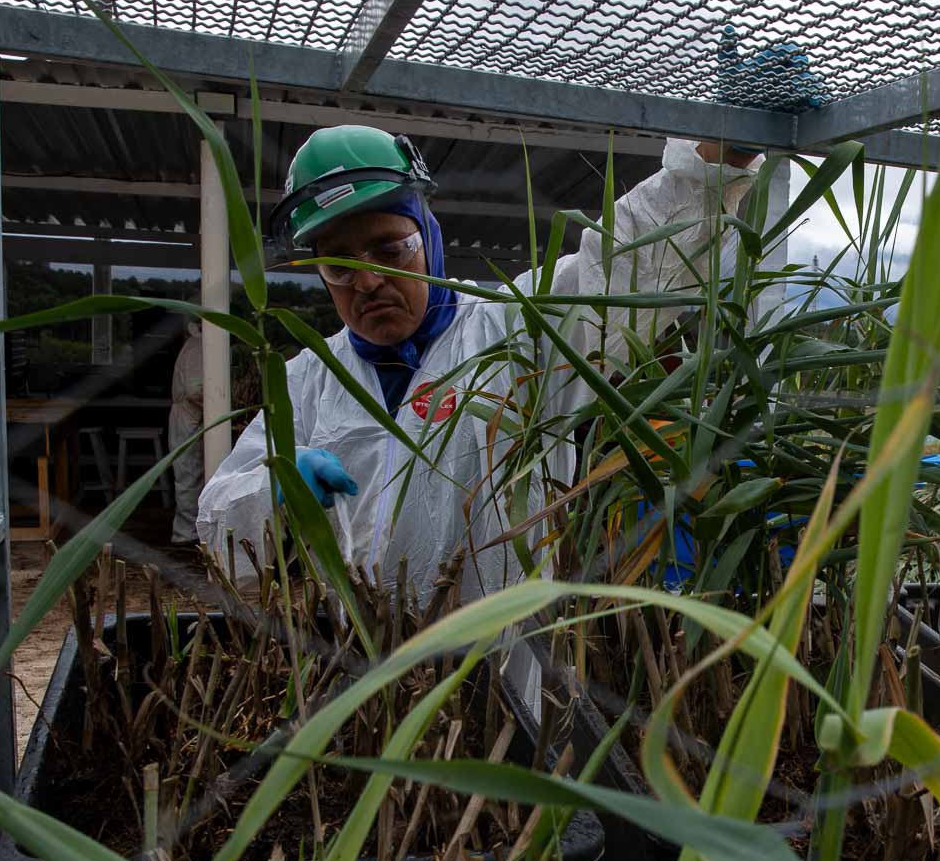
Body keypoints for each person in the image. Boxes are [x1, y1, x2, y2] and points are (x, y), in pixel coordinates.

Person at [197, 127, 758, 609]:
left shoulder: (520, 333)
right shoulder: (308, 381)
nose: (366, 282)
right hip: (370, 673)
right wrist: (274, 489)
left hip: (508, 673)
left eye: (391, 250)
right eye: (339, 268)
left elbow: (637, 259)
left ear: (430, 234)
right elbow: (219, 535)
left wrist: (724, 152)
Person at [167, 317, 203, 546]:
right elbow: (195, 390)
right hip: (189, 416)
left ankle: (192, 529)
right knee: (188, 473)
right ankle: (185, 534)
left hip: (191, 416)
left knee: (192, 473)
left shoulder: (195, 345)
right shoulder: (199, 348)